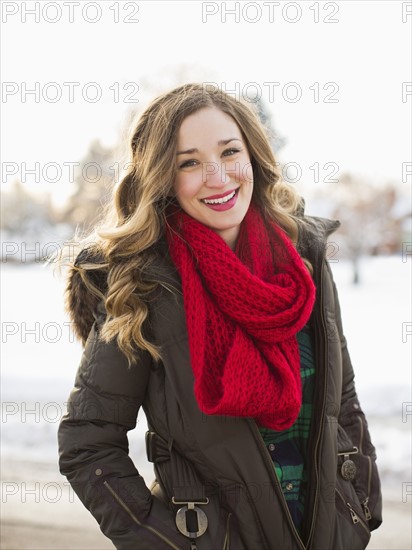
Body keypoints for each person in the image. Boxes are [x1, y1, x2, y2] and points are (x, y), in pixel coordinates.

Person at [58, 83, 382, 550]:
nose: (218, 176)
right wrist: (166, 541)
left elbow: (342, 397)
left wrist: (359, 505)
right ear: (162, 178)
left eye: (230, 152)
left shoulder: (303, 258)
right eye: (188, 162)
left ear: (252, 155)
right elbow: (87, 442)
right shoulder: (144, 284)